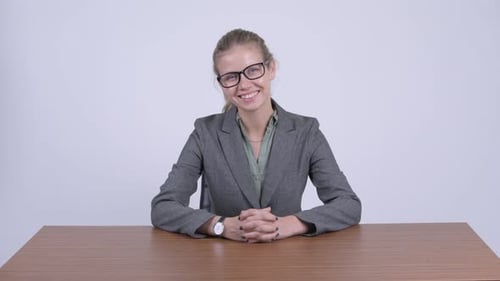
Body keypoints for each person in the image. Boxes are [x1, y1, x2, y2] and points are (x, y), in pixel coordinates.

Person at [151, 28, 361, 243]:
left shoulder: (306, 132)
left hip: (289, 259)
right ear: (221, 84)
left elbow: (348, 204)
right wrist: (220, 225)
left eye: (253, 70)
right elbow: (163, 207)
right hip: (224, 261)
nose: (243, 85)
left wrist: (289, 224)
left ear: (271, 69)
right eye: (231, 77)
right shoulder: (205, 133)